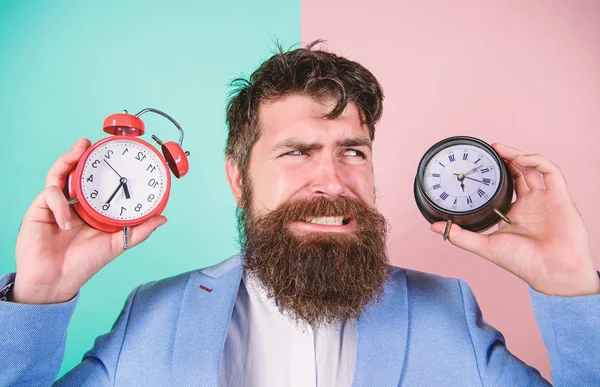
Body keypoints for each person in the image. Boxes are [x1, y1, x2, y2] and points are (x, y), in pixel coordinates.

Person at [1, 41, 599, 387]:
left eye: (352, 152)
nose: (332, 180)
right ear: (239, 180)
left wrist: (567, 279)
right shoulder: (151, 318)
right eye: (297, 152)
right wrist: (37, 298)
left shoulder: (451, 317)